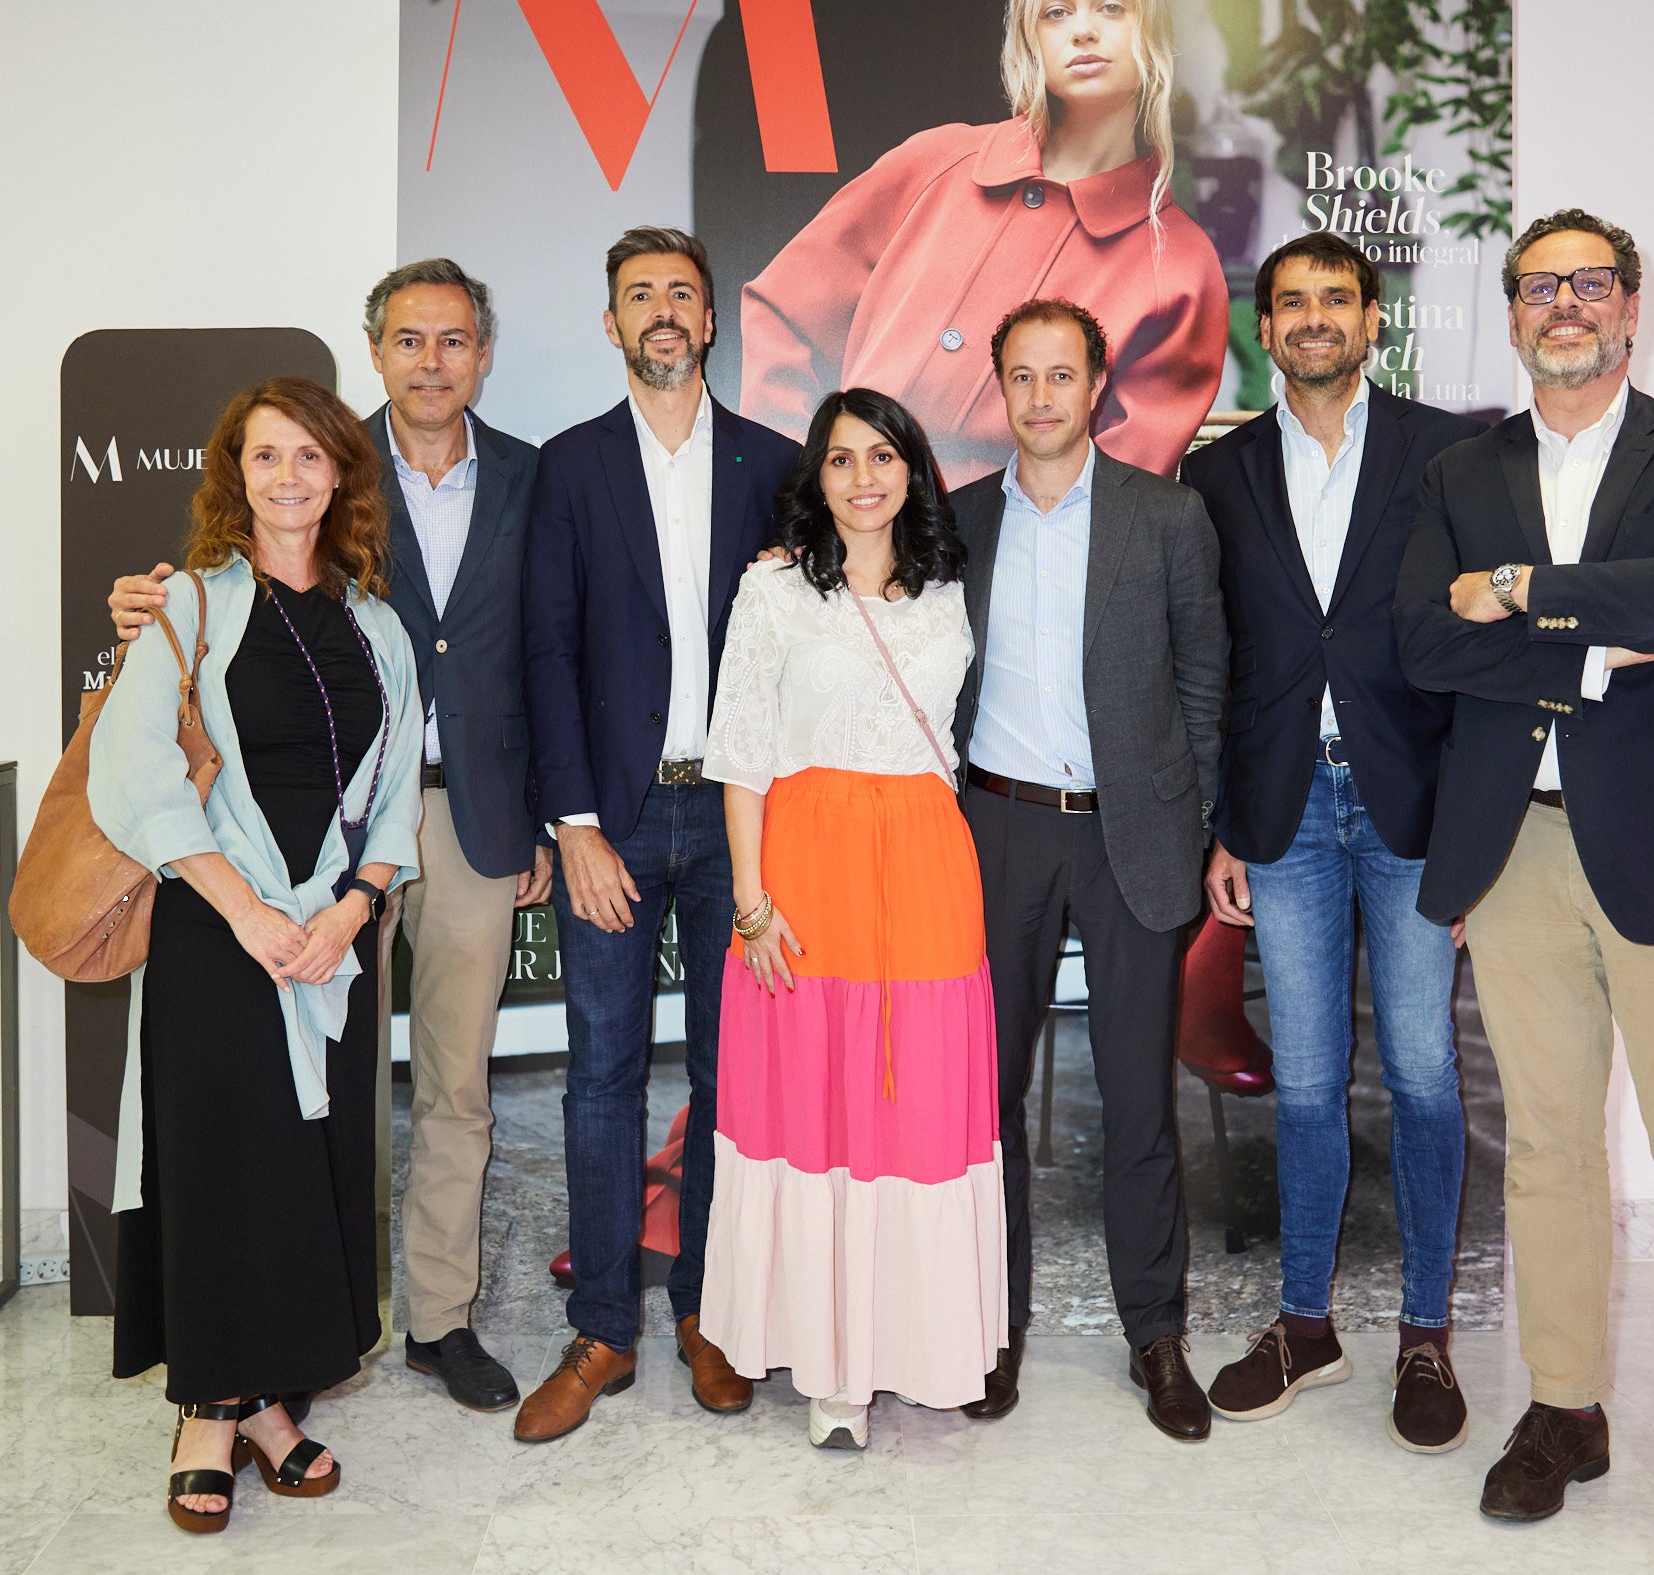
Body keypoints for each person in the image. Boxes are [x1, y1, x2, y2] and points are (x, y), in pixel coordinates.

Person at [1394, 208, 1654, 1575]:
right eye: (1538, 285)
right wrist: (1611, 628)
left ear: (1629, 305)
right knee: (1548, 1153)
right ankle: (1565, 1411)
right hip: (1515, 854)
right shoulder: (1459, 465)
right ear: (1508, 313)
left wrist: (1519, 592)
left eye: (1589, 282)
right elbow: (1424, 642)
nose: (1564, 303)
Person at [112, 262, 547, 1415]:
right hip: (295, 840)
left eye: (454, 340)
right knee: (311, 1089)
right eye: (409, 339)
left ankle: (439, 1319)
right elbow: (222, 610)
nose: (432, 360)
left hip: (468, 815)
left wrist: (559, 811)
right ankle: (299, 1323)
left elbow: (557, 647)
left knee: (450, 1082)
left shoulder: (529, 478)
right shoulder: (316, 453)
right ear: (377, 349)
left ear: (483, 353)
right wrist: (140, 605)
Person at [88, 376, 424, 1533]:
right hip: (219, 933)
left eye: (310, 458)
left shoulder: (377, 625)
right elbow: (131, 778)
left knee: (308, 1176)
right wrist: (246, 914)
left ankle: (272, 1408)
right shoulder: (188, 606)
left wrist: (350, 910)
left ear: (341, 477)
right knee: (221, 1167)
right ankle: (209, 1414)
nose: (289, 478)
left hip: (330, 940)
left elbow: (394, 804)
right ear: (236, 475)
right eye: (266, 457)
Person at [1180, 231, 1487, 1451]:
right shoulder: (1220, 475)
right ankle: (1303, 1324)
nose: (1314, 318)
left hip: (1412, 812)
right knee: (1305, 1082)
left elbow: (1479, 660)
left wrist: (1473, 836)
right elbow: (1213, 667)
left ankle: (1423, 1334)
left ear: (1371, 320)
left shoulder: (1447, 455)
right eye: (1291, 302)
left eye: (1336, 300)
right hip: (1284, 815)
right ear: (1266, 328)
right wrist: (1220, 827)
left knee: (1419, 1073)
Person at [517, 226, 802, 1442]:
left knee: (735, 1081)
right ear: (612, 324)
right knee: (602, 1077)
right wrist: (573, 825)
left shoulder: (774, 465)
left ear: (711, 319)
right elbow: (546, 651)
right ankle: (603, 1333)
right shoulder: (567, 470)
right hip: (616, 823)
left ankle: (708, 1313)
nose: (664, 313)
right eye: (641, 296)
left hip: (740, 815)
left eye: (682, 293)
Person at [699, 388, 1000, 1451]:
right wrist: (749, 902)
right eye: (840, 460)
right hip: (806, 865)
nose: (863, 477)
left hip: (926, 862)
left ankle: (918, 1345)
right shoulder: (774, 589)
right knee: (818, 1109)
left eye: (882, 456)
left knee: (914, 1108)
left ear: (913, 469)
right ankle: (831, 1366)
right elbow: (737, 753)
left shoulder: (954, 586)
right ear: (814, 478)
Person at [948, 297, 1226, 1440]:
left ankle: (1154, 1336)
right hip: (996, 834)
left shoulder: (1166, 519)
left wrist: (1195, 826)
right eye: (1022, 376)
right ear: (1001, 390)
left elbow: (1203, 685)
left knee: (1136, 1104)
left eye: (1063, 374)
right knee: (986, 1102)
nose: (1043, 396)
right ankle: (986, 1329)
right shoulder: (955, 523)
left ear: (1097, 383)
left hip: (1131, 838)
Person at [739, 0, 1226, 487]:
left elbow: (1118, 494)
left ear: (1156, 30)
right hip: (842, 538)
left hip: (1007, 554)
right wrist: (799, 493)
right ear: (1028, 38)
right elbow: (785, 314)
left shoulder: (1181, 265)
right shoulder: (936, 160)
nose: (1083, 31)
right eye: (1056, 12)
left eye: (1112, 8)